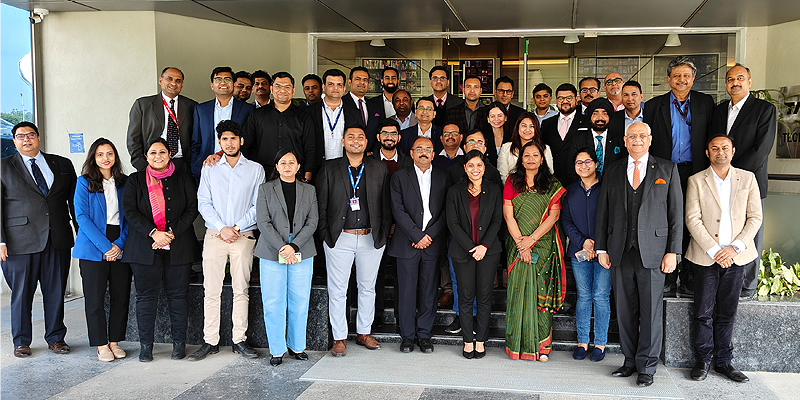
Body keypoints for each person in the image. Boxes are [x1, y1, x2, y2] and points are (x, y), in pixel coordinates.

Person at [595, 121, 683, 387]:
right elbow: (603, 211)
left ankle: (647, 366)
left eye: (641, 136)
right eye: (632, 136)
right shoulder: (613, 169)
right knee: (624, 310)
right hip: (620, 251)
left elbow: (676, 215)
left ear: (650, 139)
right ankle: (630, 361)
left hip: (654, 253)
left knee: (651, 311)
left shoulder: (667, 169)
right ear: (624, 139)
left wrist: (673, 252)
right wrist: (601, 247)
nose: (636, 140)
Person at [686, 134, 762, 383]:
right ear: (707, 153)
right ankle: (703, 360)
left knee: (728, 312)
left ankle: (724, 362)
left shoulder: (747, 179)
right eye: (715, 148)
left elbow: (755, 218)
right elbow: (692, 219)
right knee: (702, 312)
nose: (720, 152)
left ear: (733, 151)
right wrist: (714, 250)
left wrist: (734, 248)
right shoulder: (696, 180)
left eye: (725, 148)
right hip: (706, 257)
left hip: (736, 258)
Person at [189, 120, 264, 362]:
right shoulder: (210, 168)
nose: (229, 143)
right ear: (219, 142)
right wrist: (222, 228)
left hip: (243, 236)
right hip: (214, 235)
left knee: (241, 289)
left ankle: (239, 339)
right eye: (224, 139)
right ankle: (210, 340)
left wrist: (237, 227)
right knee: (211, 290)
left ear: (241, 141)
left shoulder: (255, 169)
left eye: (233, 138)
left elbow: (257, 205)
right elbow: (203, 202)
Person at [1, 122, 77, 358]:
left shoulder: (61, 163)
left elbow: (73, 201)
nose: (26, 140)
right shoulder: (4, 167)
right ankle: (22, 341)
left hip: (57, 238)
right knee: (22, 294)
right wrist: (0, 241)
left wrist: (80, 230)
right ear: (14, 141)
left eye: (30, 135)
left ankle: (56, 338)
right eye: (20, 136)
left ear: (39, 137)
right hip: (19, 242)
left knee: (56, 291)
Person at [122, 138, 200, 362]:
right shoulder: (135, 180)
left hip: (179, 246)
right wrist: (154, 233)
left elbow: (191, 209)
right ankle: (146, 346)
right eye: (153, 152)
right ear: (146, 156)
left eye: (162, 152)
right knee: (145, 298)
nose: (158, 156)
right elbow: (130, 210)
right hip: (144, 248)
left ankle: (179, 344)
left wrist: (171, 233)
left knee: (178, 296)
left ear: (169, 154)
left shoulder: (183, 178)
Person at [316, 126, 391, 357]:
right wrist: (326, 236)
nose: (356, 141)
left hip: (370, 237)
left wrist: (384, 233)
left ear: (367, 141)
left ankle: (364, 332)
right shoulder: (330, 167)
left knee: (367, 288)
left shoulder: (379, 167)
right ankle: (339, 337)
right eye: (351, 137)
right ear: (342, 141)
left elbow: (386, 204)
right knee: (338, 289)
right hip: (340, 237)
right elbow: (321, 204)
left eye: (360, 137)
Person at [644, 55, 714, 297]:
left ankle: (690, 278)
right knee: (668, 220)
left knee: (695, 220)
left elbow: (712, 138)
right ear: (668, 80)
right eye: (677, 76)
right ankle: (668, 276)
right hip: (665, 172)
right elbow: (649, 144)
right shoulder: (654, 106)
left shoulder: (706, 103)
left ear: (693, 78)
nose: (681, 80)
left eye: (686, 75)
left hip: (696, 171)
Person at [710, 63, 776, 300]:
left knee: (750, 229)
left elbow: (762, 149)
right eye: (730, 79)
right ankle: (722, 277)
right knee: (722, 228)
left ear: (750, 81)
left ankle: (748, 283)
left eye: (740, 78)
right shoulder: (718, 111)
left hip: (750, 181)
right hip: (719, 181)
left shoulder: (764, 109)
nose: (735, 82)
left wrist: (735, 175)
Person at [503, 141, 566, 362]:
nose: (531, 158)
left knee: (541, 293)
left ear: (542, 159)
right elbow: (508, 216)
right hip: (516, 243)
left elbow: (553, 216)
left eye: (535, 155)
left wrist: (531, 240)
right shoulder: (512, 181)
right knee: (518, 292)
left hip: (542, 244)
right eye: (526, 155)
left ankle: (542, 345)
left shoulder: (552, 183)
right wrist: (521, 244)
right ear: (521, 159)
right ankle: (518, 344)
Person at [255, 149, 319, 366]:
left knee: (300, 301)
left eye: (292, 162)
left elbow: (313, 221)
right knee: (273, 301)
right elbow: (263, 222)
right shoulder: (265, 189)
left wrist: (294, 245)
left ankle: (297, 346)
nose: (287, 166)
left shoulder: (309, 190)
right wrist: (283, 246)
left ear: (299, 166)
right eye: (283, 162)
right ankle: (277, 350)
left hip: (302, 248)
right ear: (277, 166)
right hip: (272, 250)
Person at [73, 138, 131, 362]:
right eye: (100, 154)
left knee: (120, 296)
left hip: (120, 243)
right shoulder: (84, 182)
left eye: (109, 153)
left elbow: (130, 218)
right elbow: (82, 218)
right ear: (93, 158)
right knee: (95, 299)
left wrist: (120, 244)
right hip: (92, 245)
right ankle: (101, 344)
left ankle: (115, 341)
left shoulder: (124, 182)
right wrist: (107, 247)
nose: (105, 158)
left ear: (115, 157)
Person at [389, 137, 448, 354]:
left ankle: (424, 334)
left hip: (432, 243)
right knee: (406, 292)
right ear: (412, 153)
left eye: (428, 149)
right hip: (407, 243)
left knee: (429, 291)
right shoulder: (399, 177)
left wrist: (429, 235)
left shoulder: (443, 177)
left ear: (434, 154)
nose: (423, 152)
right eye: (419, 149)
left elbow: (445, 212)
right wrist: (416, 235)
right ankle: (407, 336)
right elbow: (397, 210)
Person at [446, 150, 503, 359]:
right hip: (463, 253)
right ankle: (468, 341)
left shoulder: (494, 190)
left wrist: (484, 246)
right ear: (464, 168)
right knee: (466, 296)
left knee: (485, 296)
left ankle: (481, 341)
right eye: (471, 166)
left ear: (484, 167)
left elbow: (498, 220)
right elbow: (452, 223)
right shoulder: (454, 191)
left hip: (488, 253)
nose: (475, 170)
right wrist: (472, 247)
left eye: (479, 165)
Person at [560, 148, 609, 362]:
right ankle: (582, 341)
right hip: (579, 251)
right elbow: (566, 221)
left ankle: (600, 343)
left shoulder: (607, 187)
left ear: (596, 164)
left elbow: (614, 218)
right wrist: (583, 242)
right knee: (583, 296)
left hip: (604, 251)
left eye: (587, 161)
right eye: (578, 163)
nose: (583, 166)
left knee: (600, 296)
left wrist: (597, 244)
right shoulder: (570, 191)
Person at [241, 72, 315, 180]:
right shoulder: (257, 115)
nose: (282, 90)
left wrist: (307, 177)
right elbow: (244, 142)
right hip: (263, 174)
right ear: (271, 89)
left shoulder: (303, 117)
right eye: (278, 86)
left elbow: (310, 148)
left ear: (293, 90)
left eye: (287, 87)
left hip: (295, 175)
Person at [127, 67, 197, 172]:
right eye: (169, 79)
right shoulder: (142, 105)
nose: (173, 83)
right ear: (160, 80)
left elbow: (197, 139)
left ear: (182, 85)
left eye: (178, 81)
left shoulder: (192, 106)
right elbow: (133, 139)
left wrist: (193, 165)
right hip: (151, 164)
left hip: (183, 166)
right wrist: (142, 166)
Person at [190, 66, 254, 180]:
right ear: (212, 85)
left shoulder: (248, 109)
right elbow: (196, 142)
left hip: (237, 168)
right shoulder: (201, 109)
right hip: (207, 167)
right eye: (218, 79)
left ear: (233, 84)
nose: (223, 82)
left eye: (227, 79)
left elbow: (250, 140)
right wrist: (195, 165)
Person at [307, 69, 361, 176]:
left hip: (346, 168)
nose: (335, 88)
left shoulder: (354, 112)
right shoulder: (309, 112)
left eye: (339, 84)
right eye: (331, 84)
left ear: (344, 88)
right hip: (317, 168)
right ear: (323, 87)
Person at [541, 83, 588, 188]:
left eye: (569, 97)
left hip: (578, 180)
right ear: (556, 101)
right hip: (552, 180)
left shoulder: (586, 122)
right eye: (561, 98)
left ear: (576, 99)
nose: (565, 101)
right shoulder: (547, 123)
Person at [498, 112, 553, 183]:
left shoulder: (545, 149)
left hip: (539, 190)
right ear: (518, 128)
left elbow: (549, 173)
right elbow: (502, 175)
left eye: (532, 126)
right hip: (513, 189)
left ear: (536, 129)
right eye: (524, 126)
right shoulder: (506, 148)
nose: (527, 129)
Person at [578, 98, 626, 176]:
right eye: (595, 114)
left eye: (604, 114)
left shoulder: (619, 139)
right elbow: (571, 169)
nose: (600, 118)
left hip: (612, 185)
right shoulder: (579, 139)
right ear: (590, 118)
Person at [344, 66, 383, 149]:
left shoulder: (375, 106)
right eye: (358, 79)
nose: (362, 82)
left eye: (365, 80)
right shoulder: (341, 104)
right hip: (347, 155)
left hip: (370, 156)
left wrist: (373, 152)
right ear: (350, 82)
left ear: (368, 84)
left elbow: (380, 131)